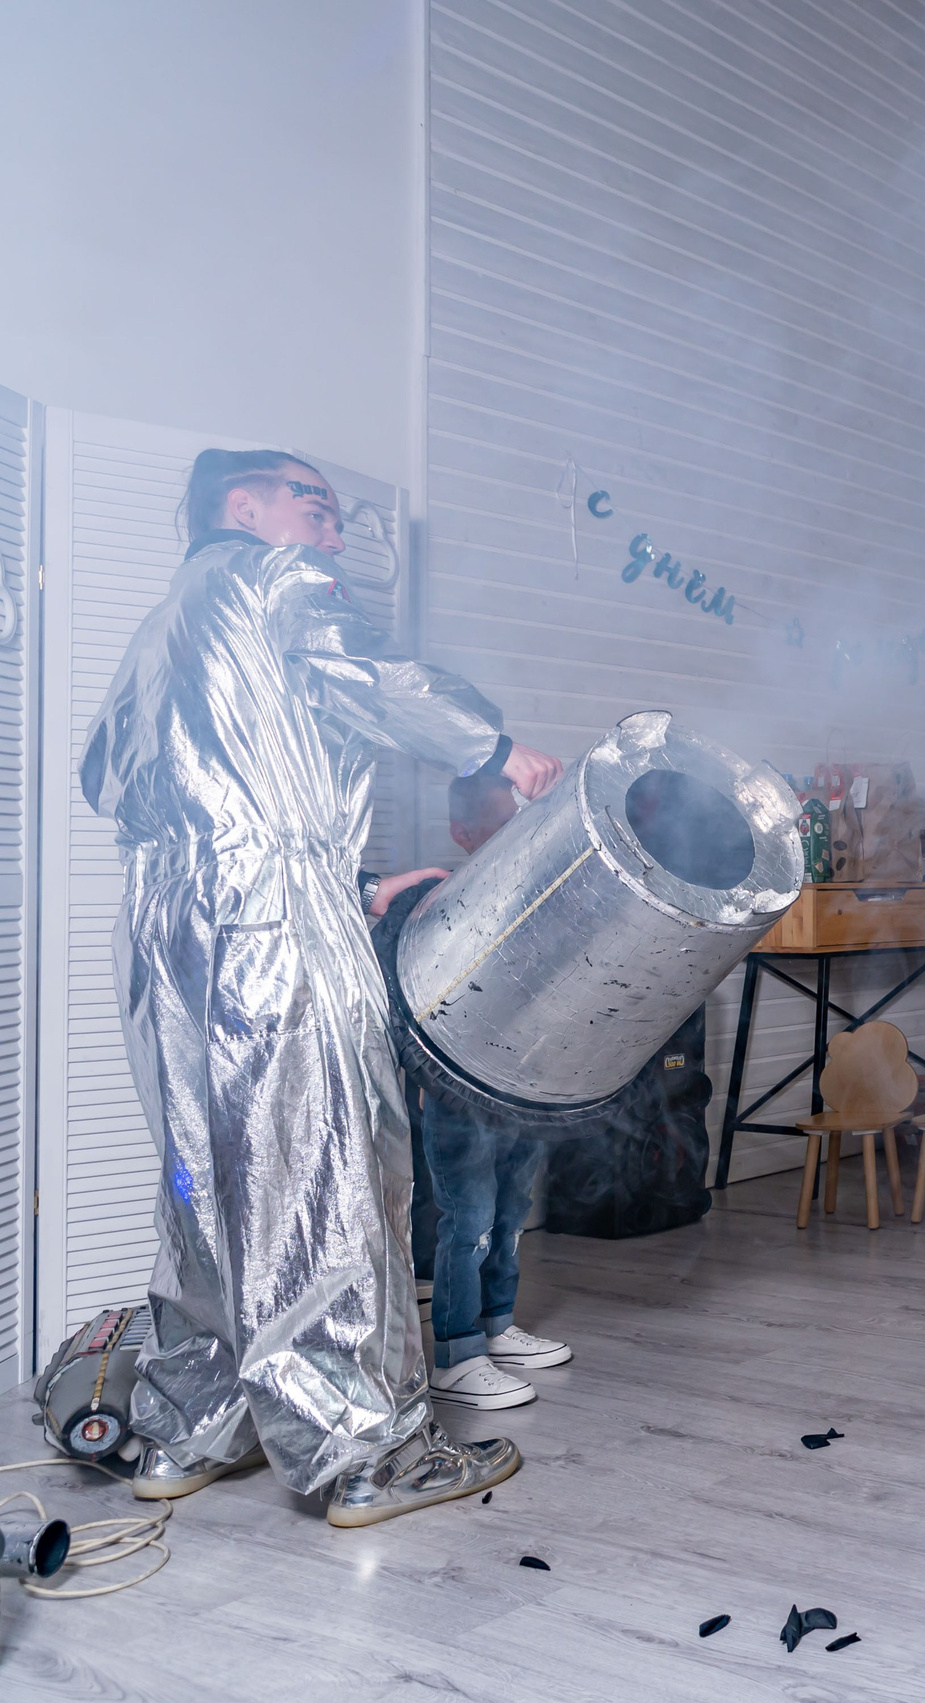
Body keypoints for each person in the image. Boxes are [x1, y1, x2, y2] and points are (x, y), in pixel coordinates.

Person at [87, 448, 563, 1526]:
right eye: (317, 506)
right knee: (329, 1166)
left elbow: (110, 775)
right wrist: (492, 746)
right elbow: (372, 676)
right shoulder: (275, 578)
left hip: (168, 933)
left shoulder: (160, 632)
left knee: (208, 1182)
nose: (335, 533)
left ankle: (194, 1425)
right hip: (274, 918)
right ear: (241, 506)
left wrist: (347, 880)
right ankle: (368, 1454)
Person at [388, 771, 575, 1413]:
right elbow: (412, 999)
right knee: (468, 1220)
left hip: (522, 1081)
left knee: (510, 1211)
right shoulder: (441, 902)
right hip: (461, 1090)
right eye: (501, 822)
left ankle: (497, 1326)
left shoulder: (540, 892)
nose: (517, 831)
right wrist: (426, 1079)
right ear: (463, 833)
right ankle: (457, 1355)